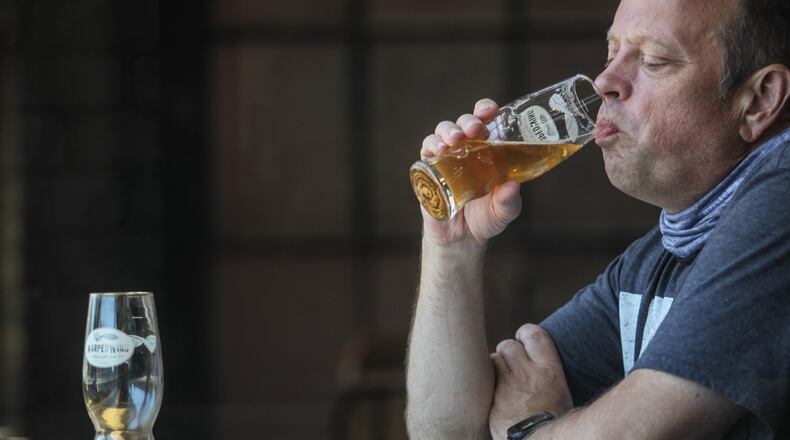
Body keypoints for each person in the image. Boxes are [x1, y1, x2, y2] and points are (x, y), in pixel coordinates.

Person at [405, 0, 790, 438]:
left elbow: (629, 433)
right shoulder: (655, 259)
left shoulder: (783, 200)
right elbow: (448, 432)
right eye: (611, 54)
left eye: (653, 61)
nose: (605, 81)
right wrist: (452, 248)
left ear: (760, 99)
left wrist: (530, 428)